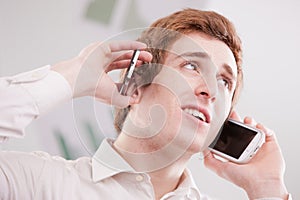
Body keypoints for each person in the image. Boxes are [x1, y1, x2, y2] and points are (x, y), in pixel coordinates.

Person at [0, 8, 291, 200]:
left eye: (225, 81)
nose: (211, 90)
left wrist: (267, 190)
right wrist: (72, 76)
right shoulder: (35, 182)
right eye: (191, 65)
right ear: (136, 83)